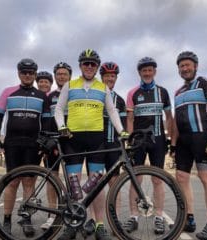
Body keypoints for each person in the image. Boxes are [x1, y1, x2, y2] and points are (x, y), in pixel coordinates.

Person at [54, 49, 127, 240]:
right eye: (85, 63)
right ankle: (72, 224)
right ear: (80, 66)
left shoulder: (103, 88)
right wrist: (62, 126)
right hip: (73, 139)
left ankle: (99, 225)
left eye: (92, 64)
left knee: (96, 186)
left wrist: (122, 132)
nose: (89, 67)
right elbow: (59, 110)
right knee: (74, 184)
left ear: (96, 67)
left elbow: (112, 112)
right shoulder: (70, 85)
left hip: (96, 140)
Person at [0, 58, 49, 237]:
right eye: (24, 72)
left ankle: (26, 219)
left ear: (35, 75)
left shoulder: (41, 96)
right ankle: (7, 219)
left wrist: (44, 142)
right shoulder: (8, 92)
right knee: (12, 182)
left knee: (29, 182)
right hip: (13, 143)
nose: (27, 75)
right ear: (19, 73)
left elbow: (46, 121)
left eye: (31, 73)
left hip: (32, 144)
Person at [171, 51, 207, 240]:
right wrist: (173, 145)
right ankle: (189, 218)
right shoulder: (178, 92)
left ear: (195, 66)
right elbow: (175, 120)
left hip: (202, 137)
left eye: (187, 65)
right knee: (181, 177)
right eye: (181, 66)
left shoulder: (206, 83)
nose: (184, 69)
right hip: (183, 140)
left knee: (206, 176)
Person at [124, 57, 173, 235]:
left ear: (154, 71)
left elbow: (169, 118)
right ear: (139, 72)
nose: (147, 73)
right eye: (144, 70)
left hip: (158, 140)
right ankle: (133, 216)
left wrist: (170, 139)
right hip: (138, 142)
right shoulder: (133, 93)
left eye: (150, 70)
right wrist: (130, 141)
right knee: (135, 179)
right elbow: (129, 119)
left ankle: (159, 217)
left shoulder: (163, 92)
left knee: (157, 180)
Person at [84, 61, 127, 235]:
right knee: (93, 185)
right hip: (96, 145)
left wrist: (124, 147)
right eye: (107, 76)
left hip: (113, 147)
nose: (110, 78)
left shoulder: (120, 100)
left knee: (114, 185)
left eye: (113, 76)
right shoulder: (94, 95)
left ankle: (114, 221)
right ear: (101, 77)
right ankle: (93, 220)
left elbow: (123, 125)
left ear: (116, 78)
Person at [40, 61, 72, 230]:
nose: (61, 76)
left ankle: (71, 214)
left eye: (64, 74)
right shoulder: (49, 96)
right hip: (53, 142)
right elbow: (45, 120)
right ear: (55, 77)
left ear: (69, 77)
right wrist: (45, 142)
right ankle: (52, 215)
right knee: (52, 179)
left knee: (72, 180)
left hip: (71, 142)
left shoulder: (74, 93)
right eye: (58, 74)